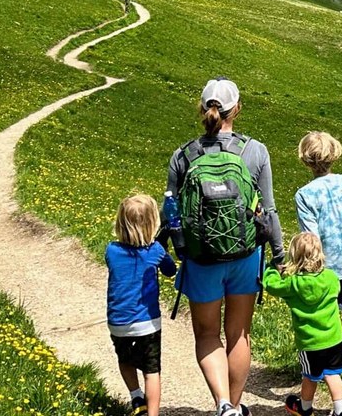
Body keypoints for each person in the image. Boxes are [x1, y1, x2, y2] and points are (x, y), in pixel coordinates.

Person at [167, 78, 284, 416]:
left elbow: (172, 212)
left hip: (202, 259)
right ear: (238, 109)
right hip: (245, 255)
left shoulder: (183, 155)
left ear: (203, 110)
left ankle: (221, 404)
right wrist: (278, 255)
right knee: (238, 334)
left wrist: (181, 249)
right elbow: (270, 210)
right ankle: (234, 405)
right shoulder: (255, 151)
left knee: (206, 333)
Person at [295, 132, 342, 393]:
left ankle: (326, 371)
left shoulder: (304, 195)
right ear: (334, 154)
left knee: (326, 320)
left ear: (305, 160)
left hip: (323, 270)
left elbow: (311, 237)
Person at [263, 233, 342, 416]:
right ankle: (341, 411)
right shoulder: (331, 278)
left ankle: (304, 407)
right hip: (334, 338)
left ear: (294, 257)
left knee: (310, 377)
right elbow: (336, 289)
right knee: (333, 374)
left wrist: (271, 269)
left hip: (311, 343)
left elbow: (271, 285)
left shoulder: (293, 284)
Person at [106, 195, 177, 416]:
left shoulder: (111, 250)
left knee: (124, 359)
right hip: (147, 322)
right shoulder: (154, 251)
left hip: (118, 321)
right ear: (152, 224)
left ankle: (136, 397)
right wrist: (161, 245)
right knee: (151, 370)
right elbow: (170, 270)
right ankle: (153, 413)